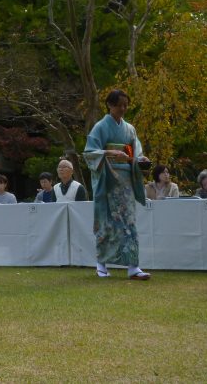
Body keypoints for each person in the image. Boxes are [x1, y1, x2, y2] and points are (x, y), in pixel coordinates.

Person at [83, 89, 151, 280]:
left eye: (125, 105)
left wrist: (140, 158)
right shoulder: (100, 127)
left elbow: (135, 150)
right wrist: (112, 153)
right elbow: (89, 153)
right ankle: (101, 264)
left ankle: (133, 266)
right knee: (107, 221)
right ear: (110, 105)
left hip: (126, 180)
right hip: (108, 179)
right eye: (120, 105)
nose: (123, 108)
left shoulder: (129, 129)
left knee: (129, 221)